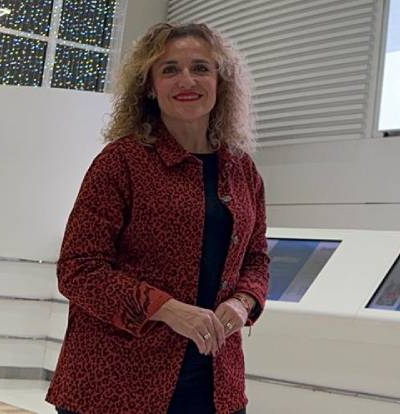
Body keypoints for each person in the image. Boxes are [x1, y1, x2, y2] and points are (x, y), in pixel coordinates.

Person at [47, 22, 270, 414]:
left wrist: (242, 302)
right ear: (149, 87)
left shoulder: (242, 170)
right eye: (170, 69)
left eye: (201, 68)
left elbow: (256, 258)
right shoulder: (121, 162)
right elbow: (79, 269)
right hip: (116, 386)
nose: (187, 80)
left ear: (220, 82)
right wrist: (167, 309)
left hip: (215, 383)